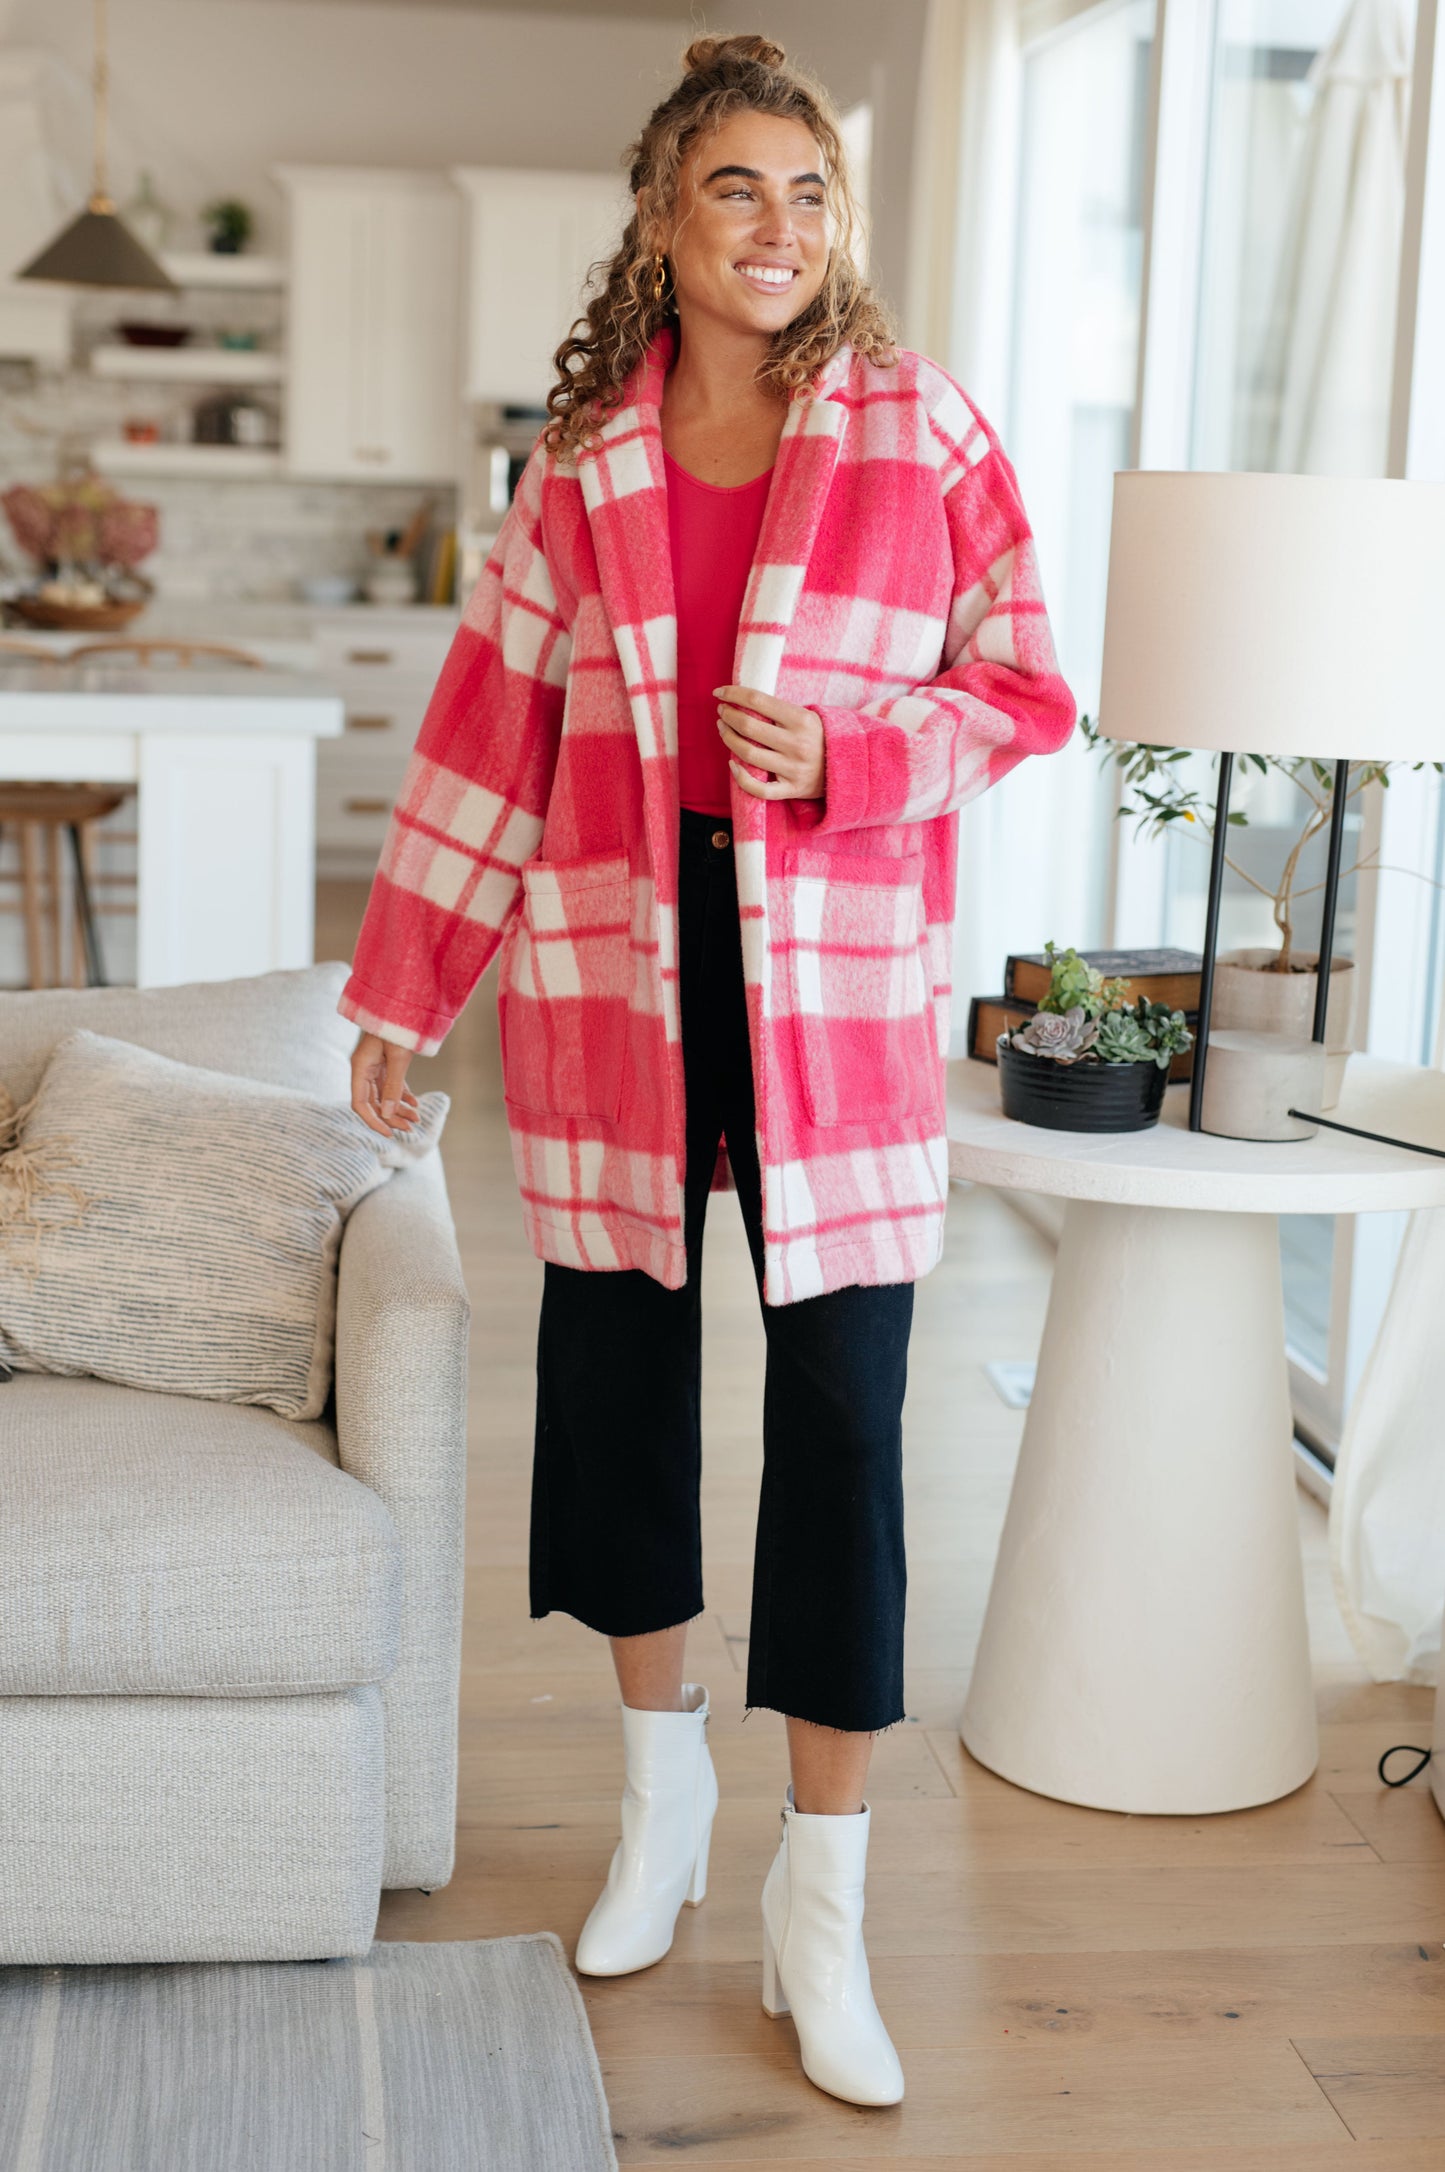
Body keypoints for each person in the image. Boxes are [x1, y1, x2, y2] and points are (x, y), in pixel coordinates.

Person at [341, 31, 1075, 2108]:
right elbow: (490, 729)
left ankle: (820, 1905)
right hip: (618, 964)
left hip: (830, 974)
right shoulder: (584, 461)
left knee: (844, 1421)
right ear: (664, 217)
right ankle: (659, 1811)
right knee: (616, 1393)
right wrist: (405, 989)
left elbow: (1027, 682)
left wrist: (855, 753)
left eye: (809, 189)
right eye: (737, 186)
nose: (779, 223)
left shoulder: (922, 428)